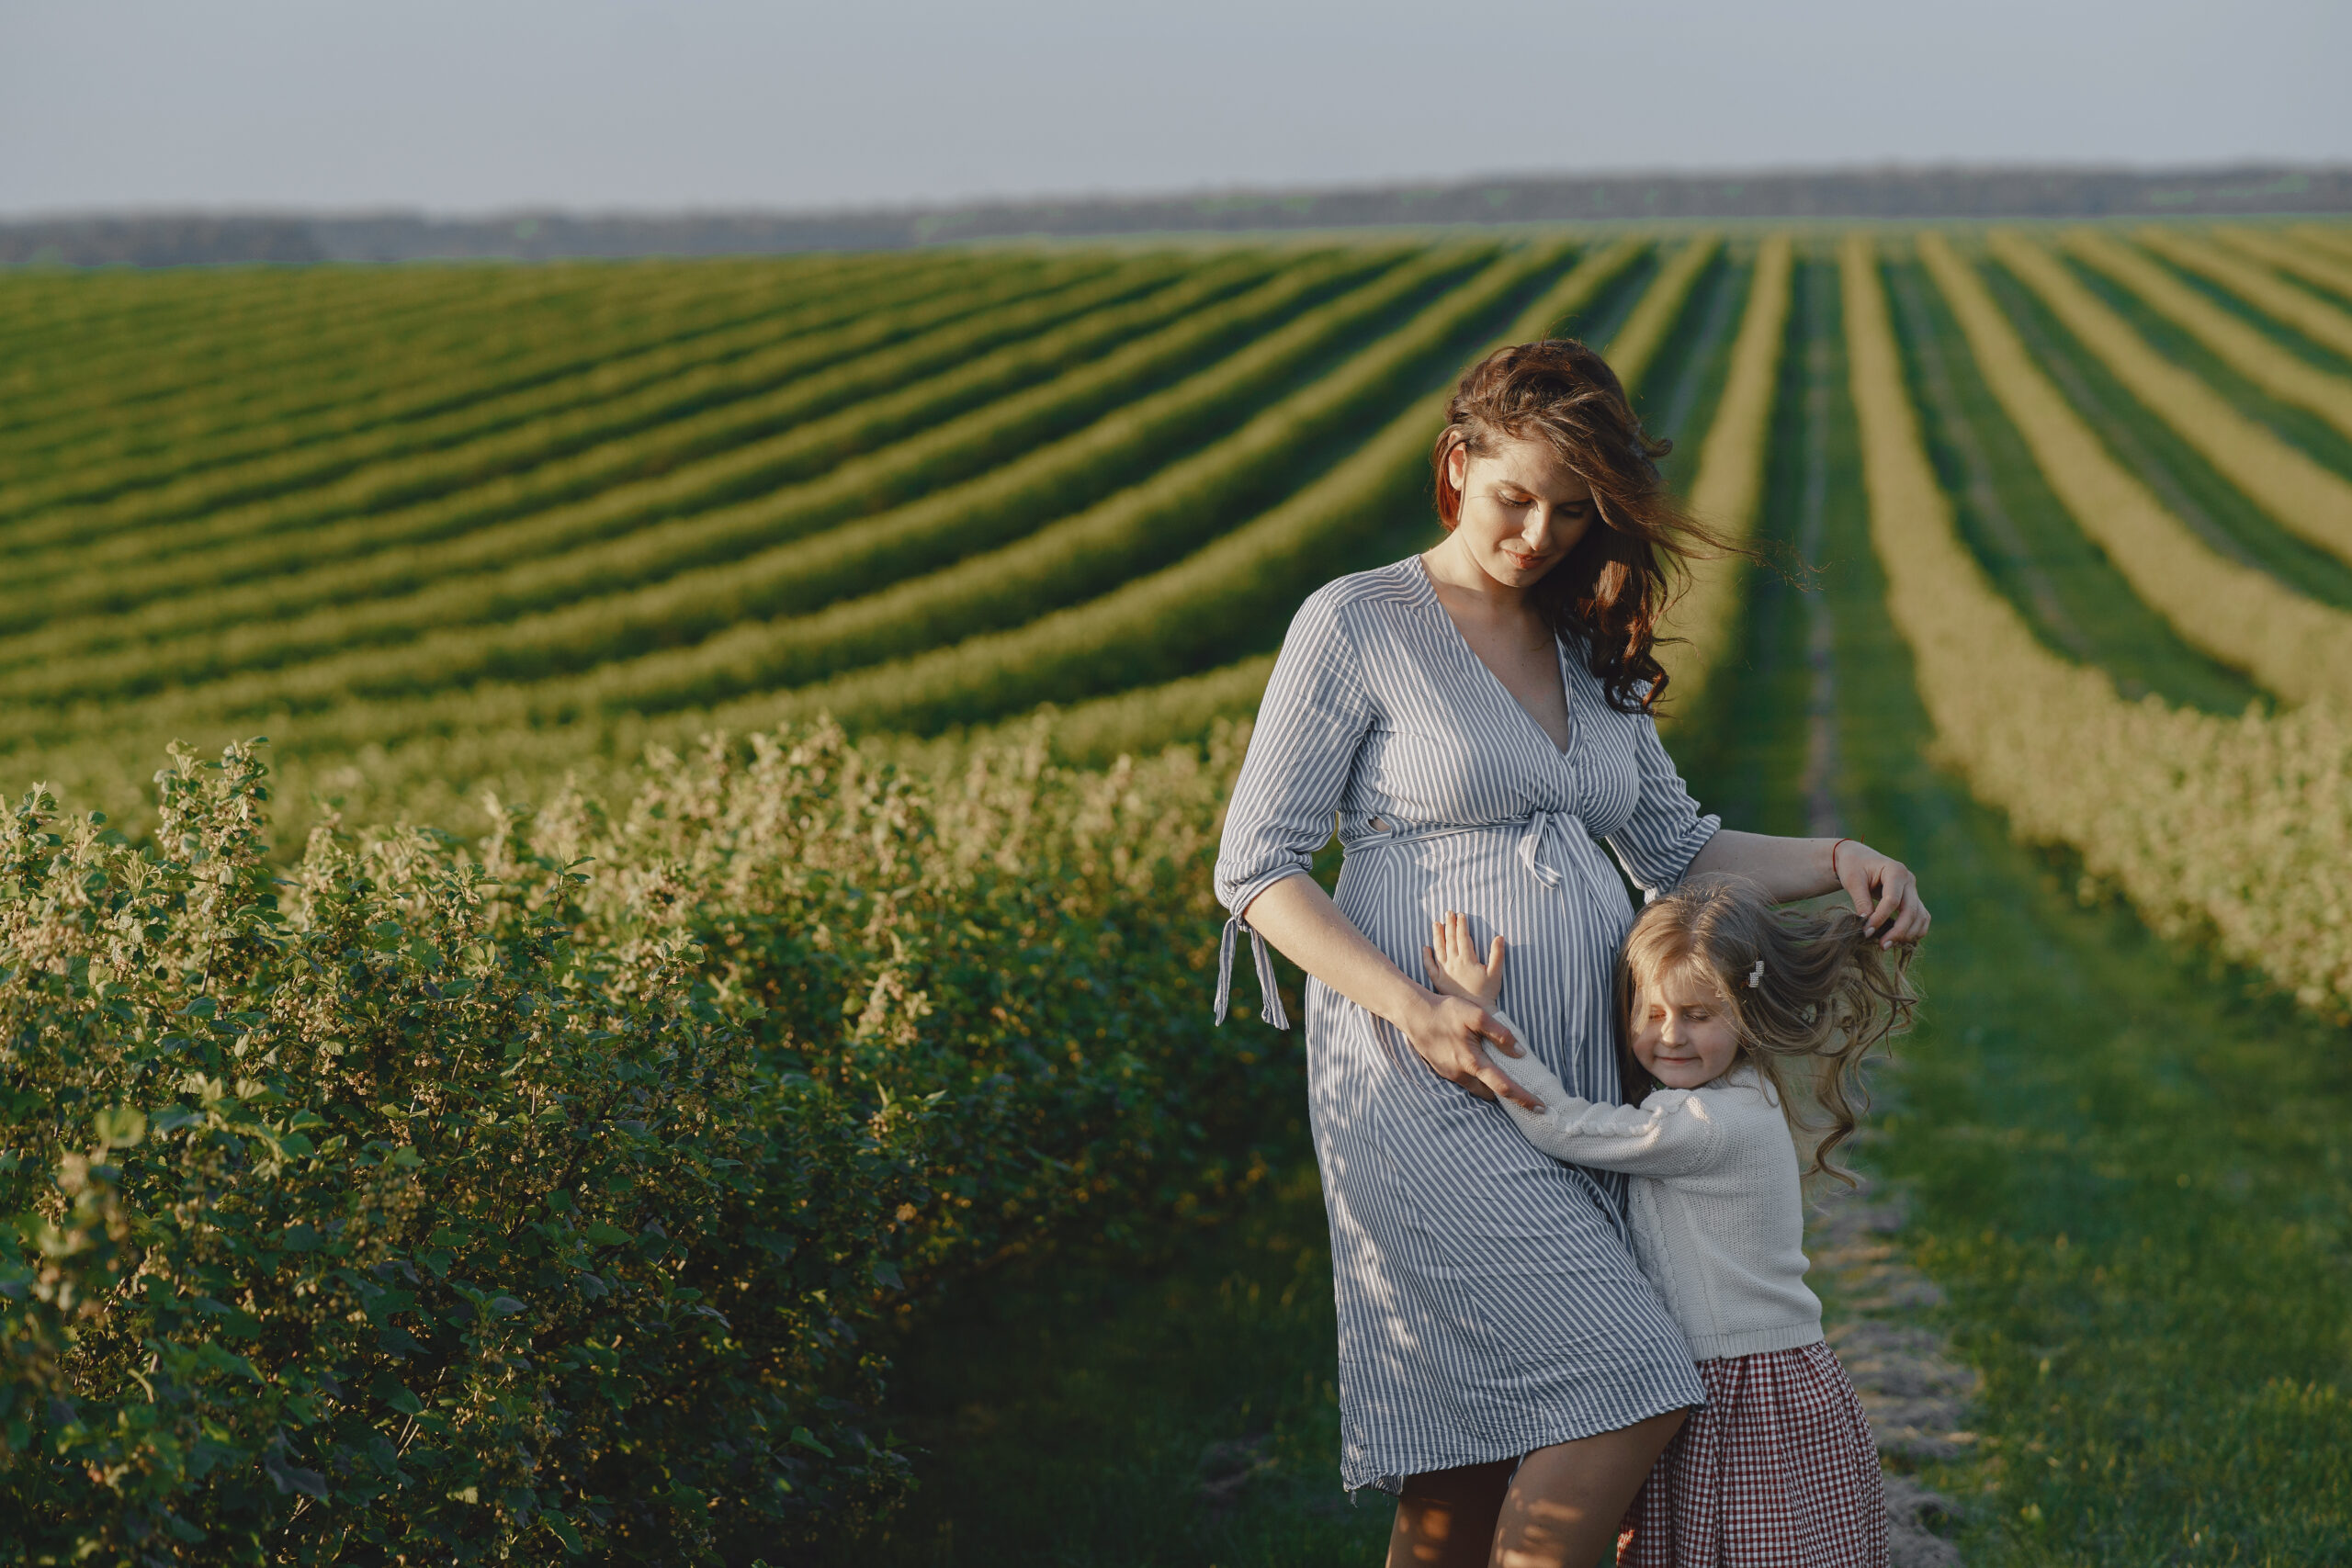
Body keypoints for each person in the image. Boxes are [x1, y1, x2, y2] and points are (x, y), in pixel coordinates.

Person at [1213, 336, 1930, 1568]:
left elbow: (1677, 847)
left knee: (1464, 1465)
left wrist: (1836, 858)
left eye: (1571, 509)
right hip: (1427, 1071)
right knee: (1629, 1377)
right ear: (1456, 464)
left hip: (1592, 1073)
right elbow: (1258, 865)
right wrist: (1413, 1010)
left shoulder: (1589, 646)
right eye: (1513, 497)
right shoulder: (1357, 621)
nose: (1538, 532)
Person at [1425, 879, 1917, 1567]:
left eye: (1697, 1013)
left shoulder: (1711, 1122)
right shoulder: (1738, 1095)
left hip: (1743, 1387)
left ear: (1746, 1012)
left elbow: (1565, 1126)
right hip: (1754, 1371)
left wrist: (1481, 1020)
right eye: (1649, 1011)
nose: (1669, 1034)